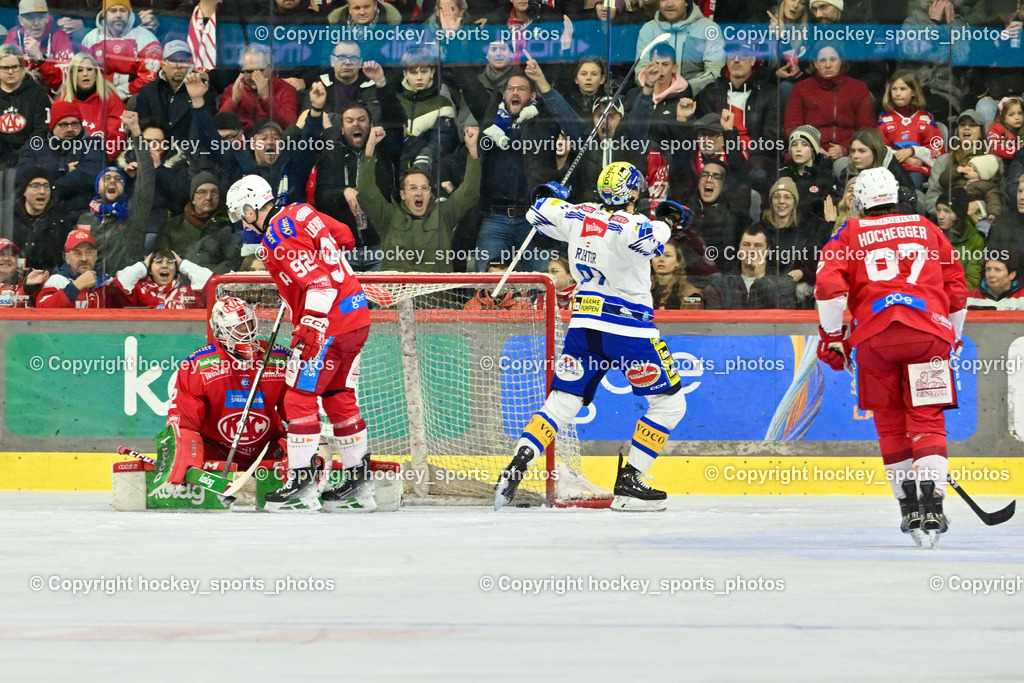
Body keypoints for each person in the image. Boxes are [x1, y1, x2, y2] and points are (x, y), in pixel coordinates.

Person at [494, 161, 686, 512]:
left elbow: (536, 210)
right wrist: (669, 222)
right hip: (628, 330)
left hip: (584, 326)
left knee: (562, 403)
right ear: (633, 192)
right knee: (671, 404)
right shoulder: (634, 223)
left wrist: (550, 194)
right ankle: (630, 482)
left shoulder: (577, 215)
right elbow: (648, 240)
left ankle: (518, 462)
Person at [814, 167, 967, 546]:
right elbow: (957, 288)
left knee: (889, 423)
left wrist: (833, 338)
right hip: (927, 333)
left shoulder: (848, 233)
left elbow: (827, 289)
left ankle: (909, 508)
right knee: (926, 418)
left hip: (875, 338)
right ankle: (933, 503)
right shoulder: (927, 228)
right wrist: (955, 337)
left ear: (861, 201)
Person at [225, 174, 376, 512]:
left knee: (298, 398)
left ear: (250, 208)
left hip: (327, 322)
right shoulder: (301, 212)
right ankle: (360, 485)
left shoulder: (275, 238)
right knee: (338, 396)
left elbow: (320, 284)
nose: (244, 222)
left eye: (242, 214)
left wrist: (309, 325)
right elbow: (346, 238)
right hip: (357, 315)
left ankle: (302, 486)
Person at [155, 297, 289, 492]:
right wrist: (182, 460)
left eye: (249, 323)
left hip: (266, 449)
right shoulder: (200, 365)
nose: (248, 331)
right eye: (239, 327)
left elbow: (298, 413)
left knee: (297, 444)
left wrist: (308, 447)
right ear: (221, 330)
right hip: (216, 451)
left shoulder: (278, 358)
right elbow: (183, 422)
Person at [358, 125, 481, 272]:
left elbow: (469, 193)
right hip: (399, 294)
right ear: (402, 195)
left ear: (430, 193)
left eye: (424, 188)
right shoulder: (388, 216)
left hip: (436, 294)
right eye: (413, 188)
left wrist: (473, 151)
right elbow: (366, 192)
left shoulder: (444, 215)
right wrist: (370, 147)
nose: (419, 193)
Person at [76, 111, 151, 274]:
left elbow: (147, 174)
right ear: (97, 188)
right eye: (106, 178)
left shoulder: (134, 212)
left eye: (118, 179)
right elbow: (76, 257)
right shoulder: (85, 219)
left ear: (125, 187)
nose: (112, 181)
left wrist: (136, 131)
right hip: (95, 286)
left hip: (128, 288)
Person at [79, 0, 162, 98]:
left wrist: (118, 93)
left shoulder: (147, 39)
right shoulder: (90, 39)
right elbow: (85, 74)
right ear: (104, 14)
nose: (118, 15)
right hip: (99, 93)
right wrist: (124, 78)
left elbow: (149, 79)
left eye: (123, 10)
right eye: (113, 11)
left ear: (129, 14)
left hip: (134, 95)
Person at [702, 226, 798, 309]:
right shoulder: (720, 285)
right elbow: (715, 325)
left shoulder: (784, 282)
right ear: (739, 248)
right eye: (746, 245)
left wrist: (762, 278)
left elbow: (785, 317)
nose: (751, 250)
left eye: (758, 245)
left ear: (768, 250)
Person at [36, 228, 127, 308]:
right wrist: (76, 286)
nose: (84, 258)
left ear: (95, 255)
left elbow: (129, 308)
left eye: (89, 252)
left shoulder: (107, 282)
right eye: (77, 253)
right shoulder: (57, 281)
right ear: (67, 258)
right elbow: (42, 309)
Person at [3, 0, 74, 95]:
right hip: (21, 97)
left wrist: (40, 58)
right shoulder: (14, 37)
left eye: (40, 17)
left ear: (47, 18)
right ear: (21, 20)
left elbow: (65, 83)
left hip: (52, 97)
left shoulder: (60, 38)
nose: (36, 23)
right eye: (30, 18)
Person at [113, 248, 212, 309]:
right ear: (149, 270)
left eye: (170, 262)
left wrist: (182, 263)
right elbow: (120, 283)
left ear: (176, 268)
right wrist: (143, 265)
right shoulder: (139, 290)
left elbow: (208, 280)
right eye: (159, 262)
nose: (165, 266)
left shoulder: (187, 291)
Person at [651, 237, 704, 309]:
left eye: (667, 255)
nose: (661, 259)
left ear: (678, 262)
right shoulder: (641, 289)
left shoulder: (690, 294)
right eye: (657, 255)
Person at [0, 237, 48, 308]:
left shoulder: (29, 283)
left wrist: (31, 287)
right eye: (1, 254)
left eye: (12, 254)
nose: (7, 258)